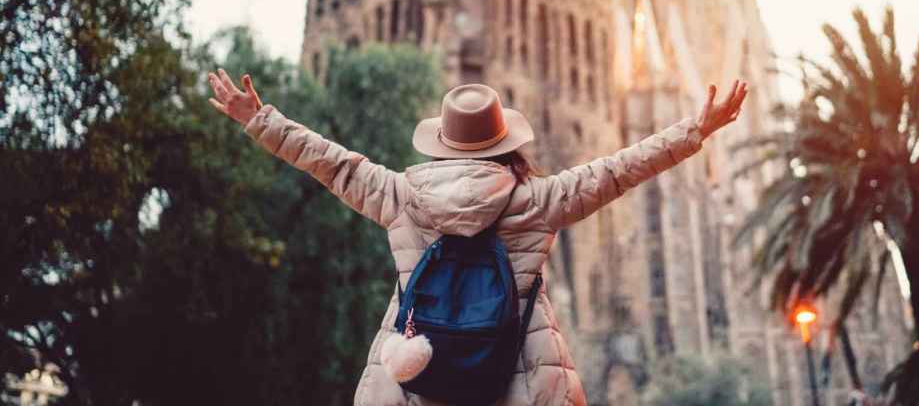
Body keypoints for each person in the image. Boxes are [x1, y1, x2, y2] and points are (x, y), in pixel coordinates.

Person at [207, 69, 748, 406]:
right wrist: (695, 130)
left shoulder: (400, 196)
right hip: (519, 374)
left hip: (415, 372)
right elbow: (619, 170)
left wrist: (259, 119)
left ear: (441, 145)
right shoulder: (539, 200)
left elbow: (332, 165)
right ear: (506, 145)